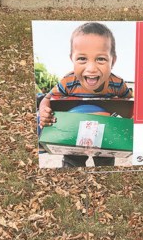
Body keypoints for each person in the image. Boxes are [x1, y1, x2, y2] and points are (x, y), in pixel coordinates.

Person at [38, 22, 132, 167]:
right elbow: (47, 98)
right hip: (73, 132)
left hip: (106, 135)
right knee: (72, 164)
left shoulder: (117, 84)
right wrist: (44, 110)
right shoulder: (68, 82)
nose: (91, 68)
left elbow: (129, 104)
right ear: (72, 59)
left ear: (113, 60)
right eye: (82, 59)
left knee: (105, 163)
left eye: (101, 59)